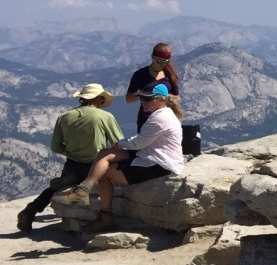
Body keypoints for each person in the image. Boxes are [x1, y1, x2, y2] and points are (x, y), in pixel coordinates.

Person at [55, 82, 184, 231]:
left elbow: (139, 143)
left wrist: (120, 144)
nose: (143, 102)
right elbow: (141, 140)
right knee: (104, 153)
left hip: (158, 164)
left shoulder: (160, 118)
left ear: (161, 99)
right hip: (151, 154)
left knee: (103, 172)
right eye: (141, 98)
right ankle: (83, 191)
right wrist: (121, 144)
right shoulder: (162, 114)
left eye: (147, 98)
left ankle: (103, 215)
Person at [16, 83, 123, 233]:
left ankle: (30, 210)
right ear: (99, 98)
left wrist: (72, 153)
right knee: (108, 182)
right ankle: (105, 217)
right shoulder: (105, 117)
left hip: (72, 164)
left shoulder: (65, 117)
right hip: (96, 165)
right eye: (102, 98)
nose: (103, 101)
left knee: (57, 188)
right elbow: (119, 143)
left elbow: (55, 147)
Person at [126, 42, 180, 132]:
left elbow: (176, 99)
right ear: (153, 57)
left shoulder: (170, 76)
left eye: (166, 61)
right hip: (146, 119)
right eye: (160, 61)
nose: (163, 64)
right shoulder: (140, 74)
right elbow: (128, 99)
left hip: (165, 120)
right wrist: (142, 94)